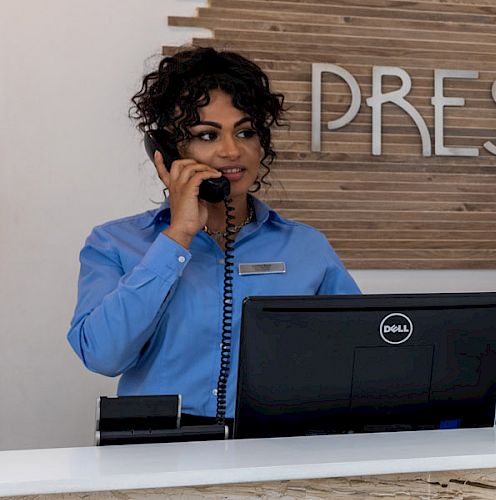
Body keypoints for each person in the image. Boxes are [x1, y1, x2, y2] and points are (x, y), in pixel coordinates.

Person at [67, 47, 360, 424]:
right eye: (207, 135)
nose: (231, 150)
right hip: (156, 450)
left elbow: (357, 359)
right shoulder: (114, 243)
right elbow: (103, 356)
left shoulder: (306, 247)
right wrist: (178, 237)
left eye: (246, 131)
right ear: (168, 152)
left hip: (275, 449)